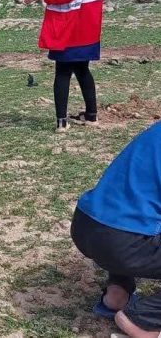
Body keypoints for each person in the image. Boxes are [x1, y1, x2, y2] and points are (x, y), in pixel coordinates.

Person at [71, 121, 161, 338]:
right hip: (123, 242)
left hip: (86, 224)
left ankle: (116, 294)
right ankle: (143, 321)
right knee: (140, 221)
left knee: (138, 212)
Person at [20, 0, 108, 133]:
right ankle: (92, 117)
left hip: (70, 24)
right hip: (91, 23)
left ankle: (62, 122)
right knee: (83, 69)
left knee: (63, 71)